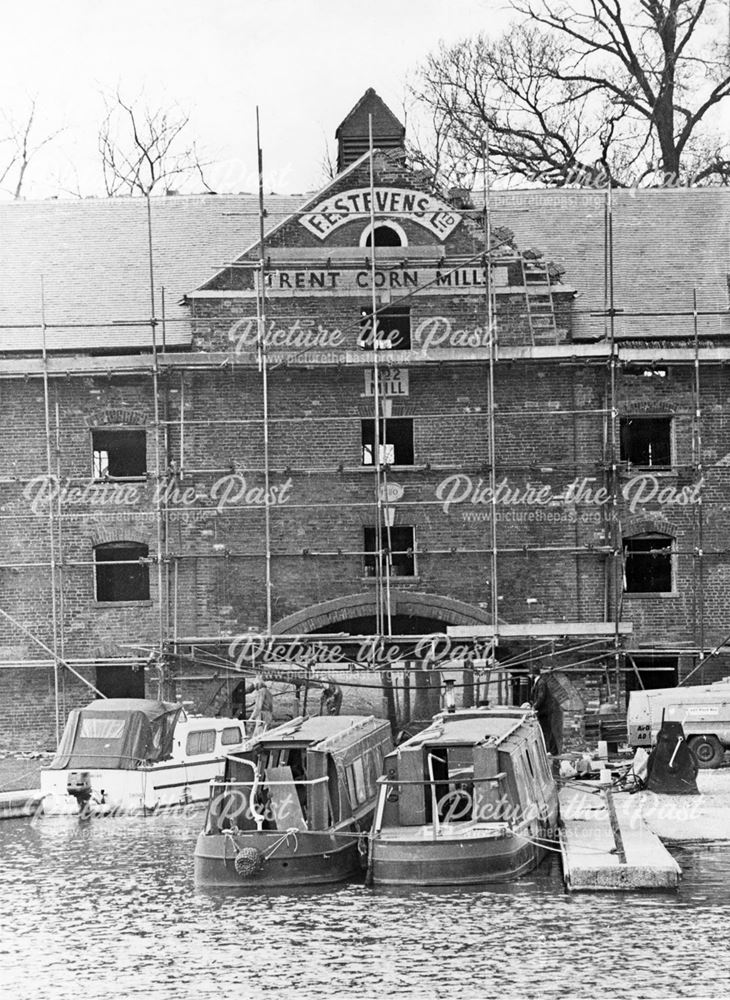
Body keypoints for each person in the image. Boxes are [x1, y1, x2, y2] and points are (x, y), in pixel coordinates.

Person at [530, 667, 563, 756]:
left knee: (547, 731)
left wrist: (534, 707)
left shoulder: (541, 683)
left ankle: (551, 751)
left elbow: (541, 697)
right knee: (547, 730)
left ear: (533, 674)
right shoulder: (538, 682)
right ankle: (551, 750)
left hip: (544, 711)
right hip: (543, 711)